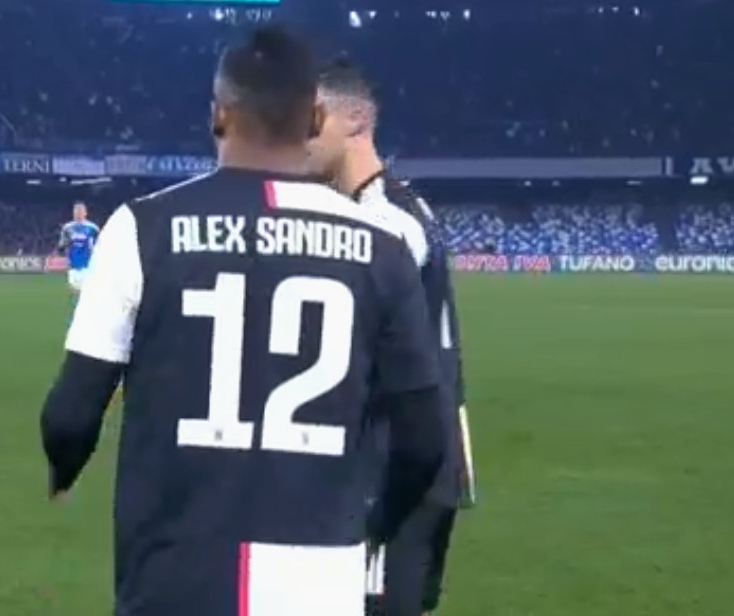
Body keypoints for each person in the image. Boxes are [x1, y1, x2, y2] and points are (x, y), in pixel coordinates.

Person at [38, 25, 447, 616]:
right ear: (314, 119)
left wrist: (63, 469)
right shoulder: (382, 247)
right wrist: (377, 526)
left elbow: (71, 414)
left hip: (175, 571)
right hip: (319, 578)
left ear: (218, 116)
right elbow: (425, 440)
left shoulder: (141, 228)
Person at [307, 56, 471, 616]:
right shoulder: (396, 208)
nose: (300, 136)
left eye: (313, 120)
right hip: (410, 461)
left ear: (356, 121)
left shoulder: (384, 222)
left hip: (393, 470)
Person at [57, 201, 101, 295]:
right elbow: (62, 245)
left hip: (89, 265)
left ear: (85, 213)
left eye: (81, 211)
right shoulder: (67, 228)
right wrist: (62, 250)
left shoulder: (93, 228)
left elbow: (100, 245)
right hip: (73, 265)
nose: (78, 213)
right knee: (76, 291)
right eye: (76, 211)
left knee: (88, 292)